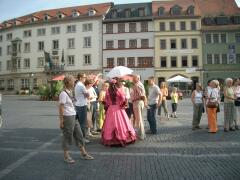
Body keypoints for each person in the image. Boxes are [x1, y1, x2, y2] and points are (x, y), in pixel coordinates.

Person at [59, 75, 94, 164]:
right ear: (68, 82)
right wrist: (61, 120)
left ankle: (84, 153)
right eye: (72, 81)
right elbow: (61, 107)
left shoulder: (70, 92)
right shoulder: (63, 93)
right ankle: (66, 156)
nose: (74, 82)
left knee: (79, 135)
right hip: (68, 117)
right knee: (68, 136)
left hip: (74, 115)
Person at [102, 78, 136, 146]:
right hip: (118, 109)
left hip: (111, 109)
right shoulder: (119, 90)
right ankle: (122, 136)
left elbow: (106, 101)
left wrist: (109, 105)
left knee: (110, 123)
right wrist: (121, 104)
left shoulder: (108, 92)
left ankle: (110, 138)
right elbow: (123, 99)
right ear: (115, 84)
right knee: (122, 122)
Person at [74, 73, 90, 143]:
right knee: (83, 123)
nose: (85, 78)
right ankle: (82, 138)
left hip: (78, 105)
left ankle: (79, 137)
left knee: (79, 123)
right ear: (80, 78)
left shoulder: (77, 84)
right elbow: (87, 95)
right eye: (84, 77)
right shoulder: (81, 85)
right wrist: (87, 94)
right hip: (82, 105)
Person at [131, 75, 147, 140]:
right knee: (139, 119)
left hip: (137, 102)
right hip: (137, 102)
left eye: (133, 78)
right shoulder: (137, 84)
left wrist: (134, 99)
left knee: (139, 119)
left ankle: (141, 135)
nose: (132, 79)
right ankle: (142, 134)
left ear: (138, 78)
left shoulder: (137, 85)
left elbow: (142, 96)